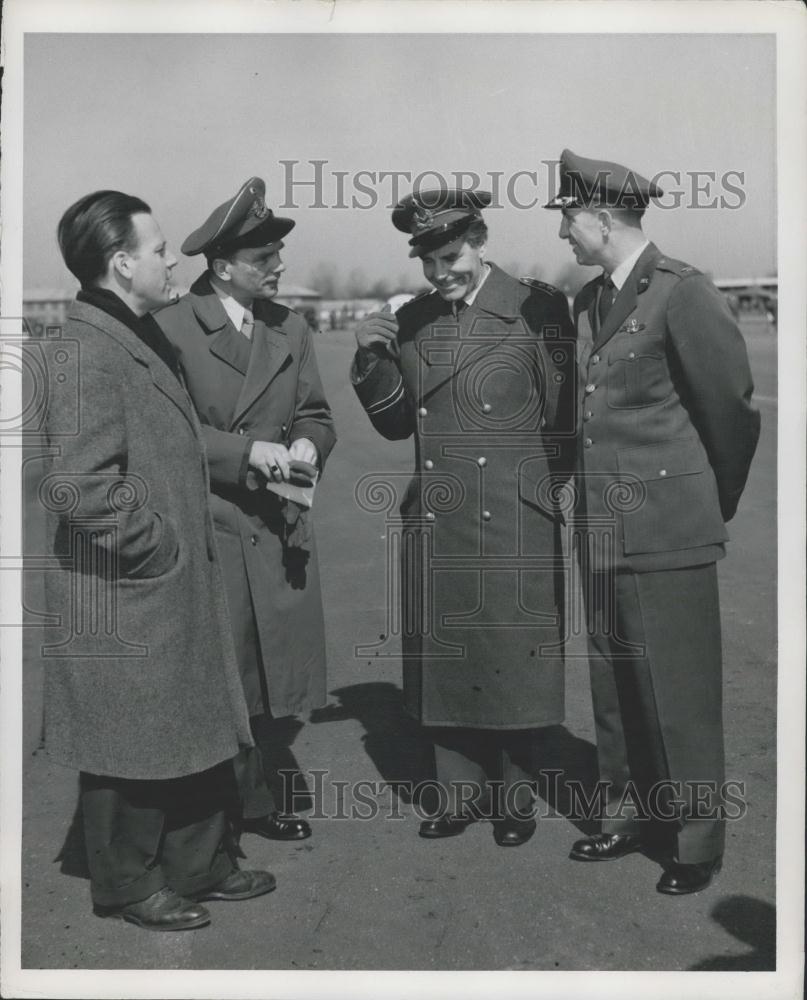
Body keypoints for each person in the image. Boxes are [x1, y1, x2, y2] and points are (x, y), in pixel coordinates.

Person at [43, 190, 275, 931]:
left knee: (188, 722)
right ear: (120, 263)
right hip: (131, 584)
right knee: (130, 742)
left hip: (161, 582)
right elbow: (80, 487)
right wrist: (162, 546)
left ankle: (198, 864)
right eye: (159, 248)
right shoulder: (86, 347)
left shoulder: (130, 331)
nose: (171, 259)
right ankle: (126, 883)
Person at [545, 149, 761, 894]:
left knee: (680, 689)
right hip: (602, 531)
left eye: (568, 220)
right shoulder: (586, 302)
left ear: (600, 219)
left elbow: (728, 411)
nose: (563, 236)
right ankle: (626, 812)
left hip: (669, 528)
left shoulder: (682, 292)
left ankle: (696, 840)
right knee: (615, 683)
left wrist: (703, 505)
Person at [351, 186, 576, 847]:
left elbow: (563, 421)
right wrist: (369, 360)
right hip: (440, 513)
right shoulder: (416, 320)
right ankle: (455, 794)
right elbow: (395, 424)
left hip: (511, 512)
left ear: (478, 243)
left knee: (508, 654)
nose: (441, 272)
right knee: (446, 656)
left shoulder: (537, 309)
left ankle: (512, 798)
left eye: (451, 256)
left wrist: (538, 492)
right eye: (429, 261)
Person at [157, 178, 336, 846]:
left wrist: (307, 446)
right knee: (219, 671)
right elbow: (163, 435)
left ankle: (257, 798)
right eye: (263, 258)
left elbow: (317, 412)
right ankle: (213, 810)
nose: (279, 267)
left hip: (278, 522)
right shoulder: (171, 329)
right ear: (223, 266)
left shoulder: (291, 326)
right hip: (210, 523)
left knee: (266, 674)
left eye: (277, 255)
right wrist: (244, 452)